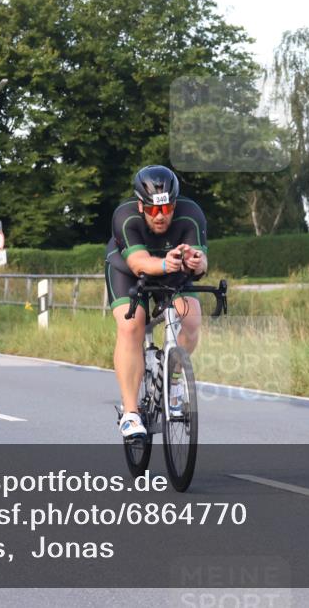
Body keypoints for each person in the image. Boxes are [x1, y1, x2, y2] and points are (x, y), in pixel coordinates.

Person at [105, 165, 208, 438]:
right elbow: (138, 262)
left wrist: (196, 261)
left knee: (190, 315)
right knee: (131, 325)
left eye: (167, 208)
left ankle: (173, 384)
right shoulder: (125, 216)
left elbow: (201, 261)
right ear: (140, 205)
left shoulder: (191, 214)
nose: (161, 216)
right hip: (127, 271)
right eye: (152, 209)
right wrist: (165, 262)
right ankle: (130, 414)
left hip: (173, 267)